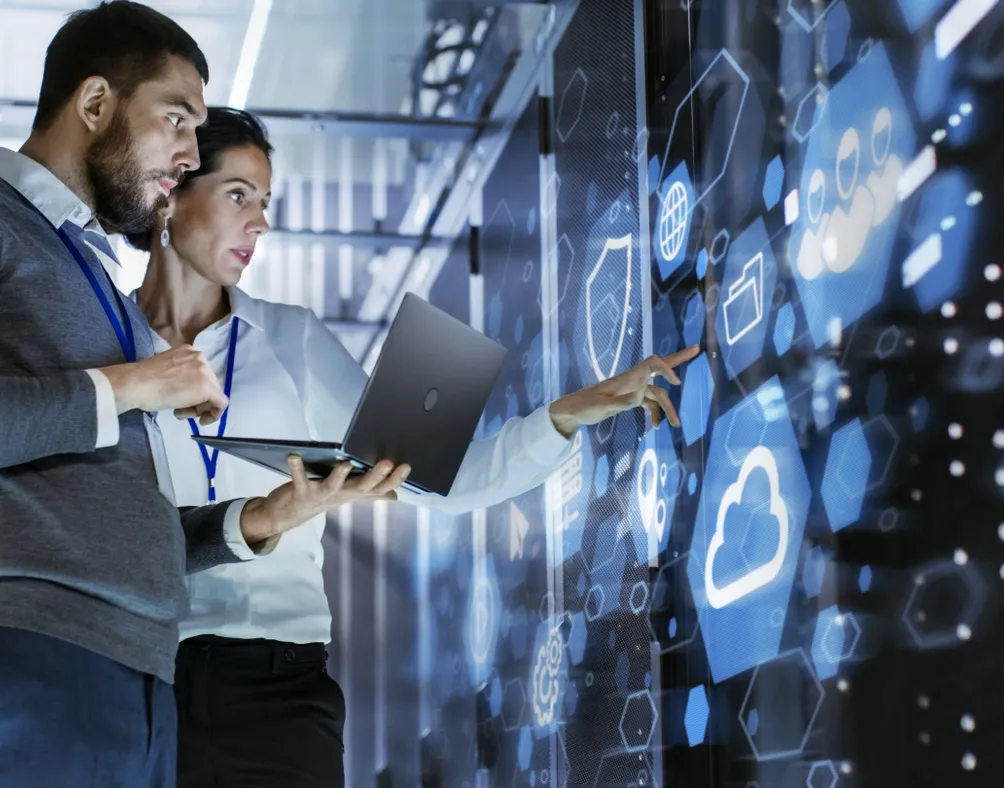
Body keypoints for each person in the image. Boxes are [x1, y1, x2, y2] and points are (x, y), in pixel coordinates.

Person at [0, 6, 406, 787]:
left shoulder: (103, 291)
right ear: (94, 105)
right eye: (176, 119)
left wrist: (261, 521)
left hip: (144, 680)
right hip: (37, 657)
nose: (188, 154)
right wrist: (136, 383)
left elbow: (127, 522)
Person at [125, 107, 702, 787]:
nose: (261, 222)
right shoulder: (105, 347)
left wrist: (568, 415)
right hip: (138, 678)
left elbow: (442, 482)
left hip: (276, 687)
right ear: (171, 194)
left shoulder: (292, 340)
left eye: (267, 203)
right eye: (238, 195)